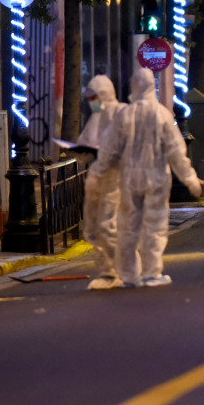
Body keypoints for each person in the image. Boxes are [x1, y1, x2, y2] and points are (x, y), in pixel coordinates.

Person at [88, 68, 201, 288]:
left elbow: (109, 149)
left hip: (130, 178)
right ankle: (152, 273)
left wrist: (98, 173)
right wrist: (190, 179)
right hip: (156, 178)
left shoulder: (125, 115)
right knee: (154, 226)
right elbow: (176, 151)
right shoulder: (162, 115)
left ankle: (129, 275)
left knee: (129, 227)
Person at [77, 75, 126, 290]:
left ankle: (118, 270)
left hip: (116, 178)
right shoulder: (96, 117)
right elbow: (86, 144)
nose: (91, 102)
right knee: (99, 225)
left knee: (109, 224)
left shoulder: (120, 113)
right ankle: (109, 270)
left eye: (93, 97)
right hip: (100, 178)